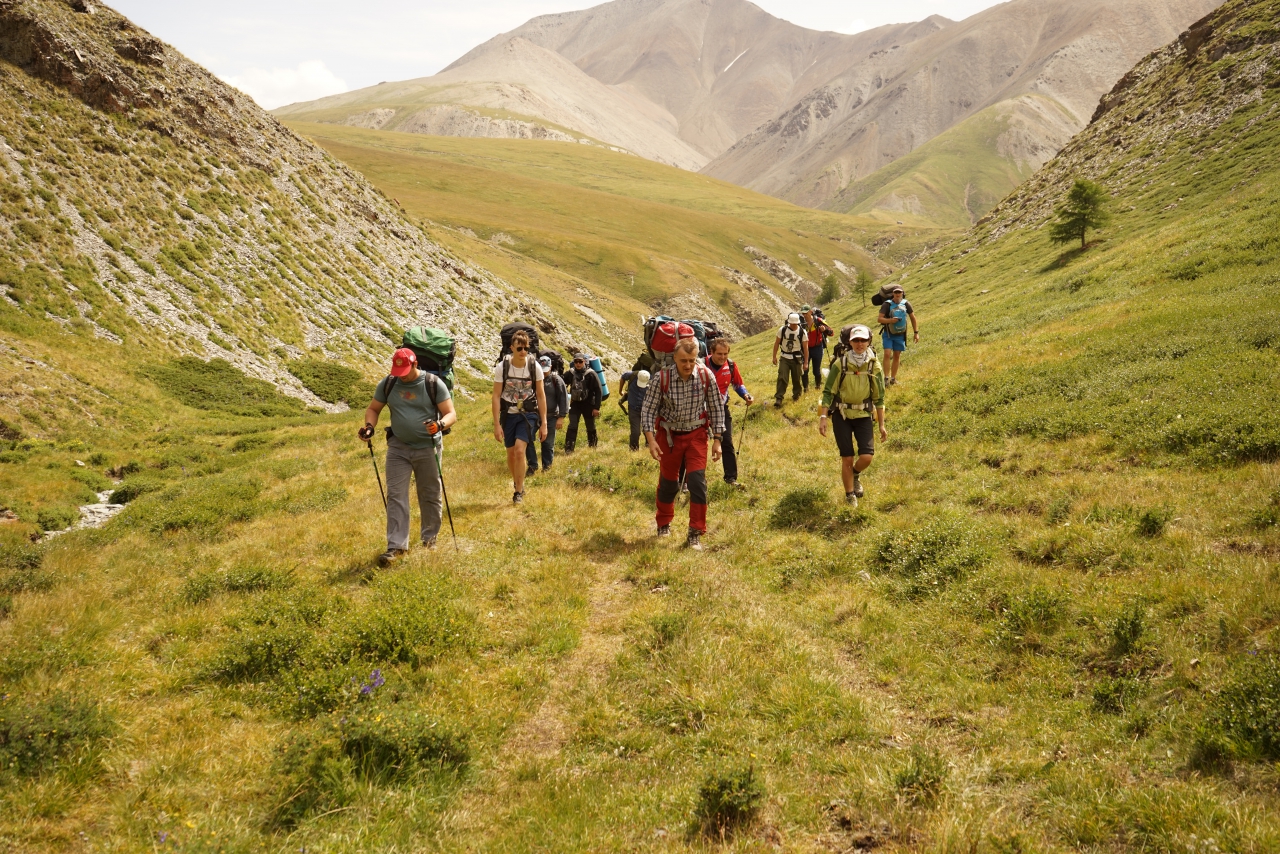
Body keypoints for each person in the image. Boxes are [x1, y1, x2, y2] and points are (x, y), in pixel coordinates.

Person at [359, 347, 458, 566]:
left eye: (404, 372)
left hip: (428, 447)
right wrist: (369, 426)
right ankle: (396, 547)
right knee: (396, 494)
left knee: (430, 493)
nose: (401, 376)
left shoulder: (432, 383)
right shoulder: (389, 383)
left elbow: (451, 414)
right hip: (398, 447)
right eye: (398, 372)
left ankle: (429, 540)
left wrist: (440, 424)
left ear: (414, 364)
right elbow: (374, 409)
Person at [641, 338, 725, 550]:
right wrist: (651, 440)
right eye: (683, 360)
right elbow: (648, 410)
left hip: (697, 435)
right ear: (674, 359)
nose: (688, 365)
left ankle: (695, 532)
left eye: (692, 360)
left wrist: (717, 440)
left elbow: (716, 408)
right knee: (669, 483)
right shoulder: (662, 379)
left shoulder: (705, 376)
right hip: (668, 436)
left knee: (697, 482)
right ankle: (663, 523)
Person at [818, 325, 887, 506]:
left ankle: (855, 474)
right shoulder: (839, 364)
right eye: (856, 340)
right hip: (841, 415)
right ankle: (850, 495)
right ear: (849, 342)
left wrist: (881, 424)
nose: (859, 343)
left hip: (863, 414)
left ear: (869, 342)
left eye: (863, 340)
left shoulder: (874, 365)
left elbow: (879, 397)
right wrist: (823, 418)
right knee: (847, 457)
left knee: (866, 457)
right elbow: (828, 392)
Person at [491, 330, 548, 504]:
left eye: (526, 348)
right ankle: (517, 482)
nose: (523, 352)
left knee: (519, 450)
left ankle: (518, 492)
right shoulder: (503, 367)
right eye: (519, 348)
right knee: (510, 454)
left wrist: (544, 423)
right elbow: (496, 395)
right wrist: (496, 424)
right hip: (508, 414)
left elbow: (541, 395)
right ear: (512, 348)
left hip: (528, 414)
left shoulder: (534, 366)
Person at [704, 339, 753, 485]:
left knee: (727, 442)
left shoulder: (730, 365)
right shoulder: (702, 364)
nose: (723, 357)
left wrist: (745, 395)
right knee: (694, 445)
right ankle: (686, 481)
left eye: (725, 354)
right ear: (711, 352)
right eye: (719, 354)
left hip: (721, 409)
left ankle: (731, 478)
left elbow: (737, 384)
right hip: (701, 410)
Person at [526, 354, 567, 475]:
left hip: (551, 416)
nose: (543, 373)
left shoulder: (556, 380)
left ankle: (547, 467)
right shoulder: (533, 379)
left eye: (546, 370)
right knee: (527, 438)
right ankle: (532, 465)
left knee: (547, 443)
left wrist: (561, 417)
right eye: (542, 370)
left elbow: (563, 399)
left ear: (551, 367)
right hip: (534, 415)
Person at [877, 286, 919, 385]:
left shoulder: (906, 303)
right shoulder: (886, 304)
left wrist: (916, 333)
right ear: (893, 293)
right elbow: (879, 319)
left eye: (899, 292)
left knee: (897, 355)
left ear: (902, 293)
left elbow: (913, 317)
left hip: (900, 334)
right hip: (888, 334)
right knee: (887, 354)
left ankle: (893, 379)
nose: (897, 294)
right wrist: (891, 320)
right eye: (895, 292)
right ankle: (886, 378)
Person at [563, 352, 602, 452]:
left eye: (580, 361)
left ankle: (593, 448)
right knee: (572, 425)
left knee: (590, 426)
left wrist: (596, 408)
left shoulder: (591, 374)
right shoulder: (570, 373)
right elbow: (561, 384)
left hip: (588, 404)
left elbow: (598, 391)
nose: (578, 364)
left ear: (584, 361)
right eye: (576, 362)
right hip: (574, 404)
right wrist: (566, 397)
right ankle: (569, 449)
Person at [772, 312, 809, 406]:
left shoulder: (802, 332)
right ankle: (779, 398)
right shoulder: (782, 330)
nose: (793, 325)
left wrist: (806, 362)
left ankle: (796, 395)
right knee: (782, 377)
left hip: (797, 358)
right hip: (784, 357)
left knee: (796, 378)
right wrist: (774, 356)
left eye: (795, 323)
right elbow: (777, 343)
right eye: (792, 323)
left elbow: (805, 348)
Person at [618, 367, 651, 452]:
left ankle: (650, 448)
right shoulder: (632, 375)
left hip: (646, 410)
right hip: (633, 409)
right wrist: (620, 391)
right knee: (635, 432)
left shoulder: (653, 379)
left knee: (648, 430)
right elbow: (623, 377)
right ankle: (633, 450)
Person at [802, 305, 834, 392]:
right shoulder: (802, 323)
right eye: (803, 313)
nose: (804, 315)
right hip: (806, 349)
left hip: (817, 348)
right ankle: (805, 388)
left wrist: (824, 330)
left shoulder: (818, 321)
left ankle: (818, 386)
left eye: (806, 313)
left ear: (810, 312)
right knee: (804, 369)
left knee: (816, 370)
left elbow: (831, 332)